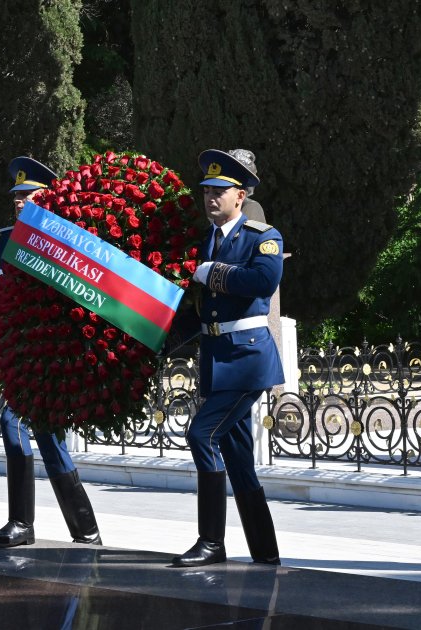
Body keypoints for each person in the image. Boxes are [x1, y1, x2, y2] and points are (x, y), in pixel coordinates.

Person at [0, 156, 101, 547]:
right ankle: (83, 531)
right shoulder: (5, 240)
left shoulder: (67, 237)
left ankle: (27, 524)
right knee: (47, 437)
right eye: (16, 196)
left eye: (27, 195)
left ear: (48, 197)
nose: (19, 202)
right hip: (20, 353)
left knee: (15, 422)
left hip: (53, 351)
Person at [169, 149, 284, 567]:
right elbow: (197, 310)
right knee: (237, 458)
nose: (211, 197)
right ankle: (265, 552)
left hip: (248, 360)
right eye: (207, 191)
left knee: (202, 435)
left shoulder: (262, 236)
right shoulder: (205, 241)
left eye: (220, 190)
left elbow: (264, 279)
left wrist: (212, 272)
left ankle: (211, 542)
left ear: (242, 195)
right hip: (216, 359)